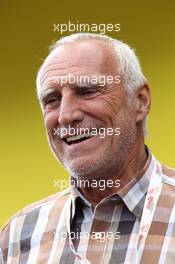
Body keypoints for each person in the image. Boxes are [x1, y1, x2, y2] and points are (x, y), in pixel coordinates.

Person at [1, 33, 175, 264]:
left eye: (87, 91)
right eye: (52, 100)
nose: (66, 115)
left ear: (140, 101)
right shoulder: (18, 236)